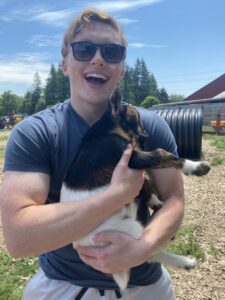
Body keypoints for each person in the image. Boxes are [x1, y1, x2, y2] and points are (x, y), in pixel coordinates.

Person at [0, 8, 184, 300]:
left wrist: (143, 247)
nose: (98, 58)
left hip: (144, 285)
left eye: (112, 52)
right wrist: (115, 196)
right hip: (62, 284)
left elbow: (173, 200)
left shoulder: (149, 127)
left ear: (121, 68)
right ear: (64, 64)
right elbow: (19, 238)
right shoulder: (35, 133)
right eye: (84, 49)